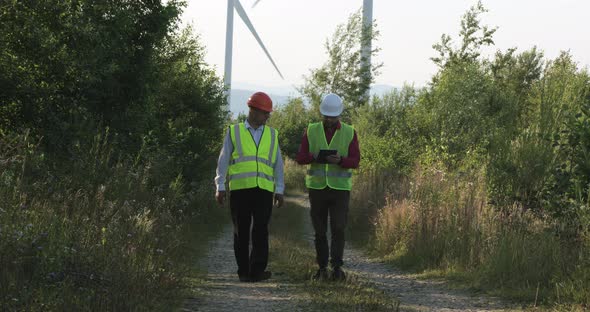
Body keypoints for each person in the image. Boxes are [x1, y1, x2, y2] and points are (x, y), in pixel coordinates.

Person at [215, 91, 284, 283]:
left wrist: (279, 189)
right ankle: (243, 271)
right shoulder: (234, 131)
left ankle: (257, 270)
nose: (268, 116)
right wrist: (219, 185)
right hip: (240, 190)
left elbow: (278, 164)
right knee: (241, 231)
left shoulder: (272, 134)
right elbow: (223, 160)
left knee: (261, 230)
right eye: (265, 113)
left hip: (264, 189)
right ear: (253, 111)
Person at [296, 93, 360, 281]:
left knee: (339, 228)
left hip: (340, 190)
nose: (329, 119)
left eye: (333, 116)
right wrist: (314, 157)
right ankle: (322, 268)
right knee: (320, 231)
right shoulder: (311, 130)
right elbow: (300, 157)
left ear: (339, 115)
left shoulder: (349, 132)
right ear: (322, 114)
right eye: (327, 116)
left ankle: (337, 268)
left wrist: (341, 160)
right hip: (317, 189)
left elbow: (355, 161)